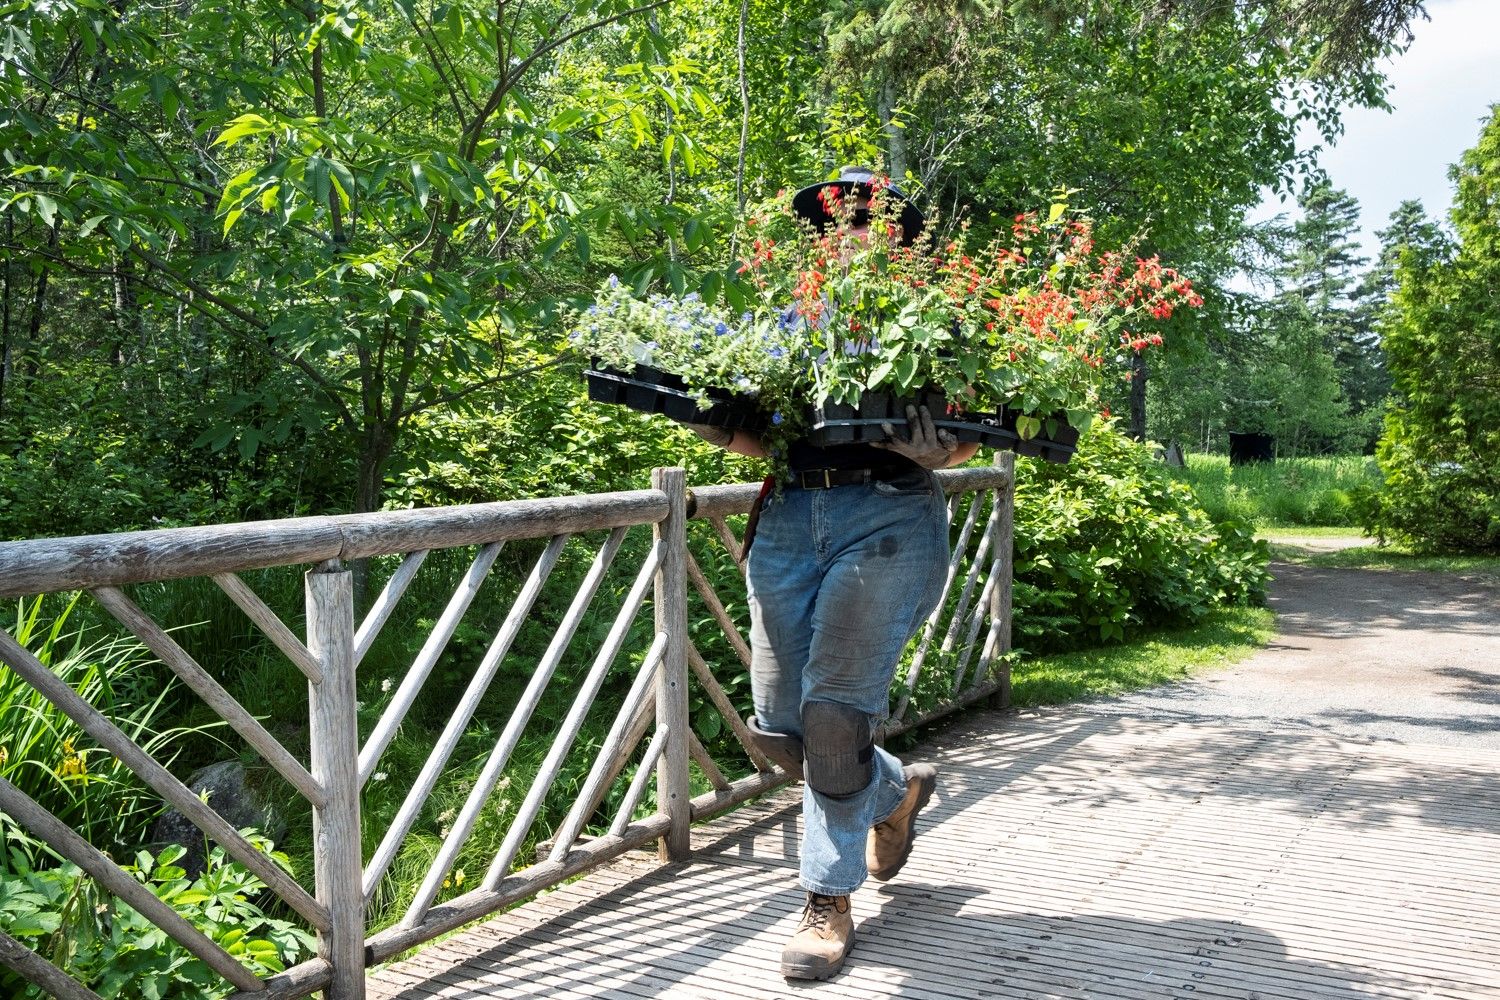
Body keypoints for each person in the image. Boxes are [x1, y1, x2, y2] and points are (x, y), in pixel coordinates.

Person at [685, 166, 980, 980]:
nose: (849, 231)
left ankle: (826, 898)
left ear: (900, 242)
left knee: (835, 720)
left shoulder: (930, 320)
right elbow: (761, 439)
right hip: (787, 520)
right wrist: (715, 427)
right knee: (779, 728)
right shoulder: (786, 322)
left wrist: (939, 451)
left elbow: (966, 438)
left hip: (886, 516)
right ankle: (894, 796)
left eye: (868, 221)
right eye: (836, 220)